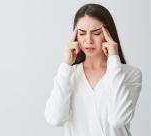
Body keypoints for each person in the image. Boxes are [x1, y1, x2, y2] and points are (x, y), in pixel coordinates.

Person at [44, 3, 142, 136]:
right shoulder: (69, 74)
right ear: (75, 36)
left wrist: (114, 59)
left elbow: (118, 119)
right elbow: (55, 119)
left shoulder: (130, 74)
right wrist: (66, 65)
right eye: (82, 33)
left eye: (96, 33)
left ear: (108, 34)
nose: (88, 40)